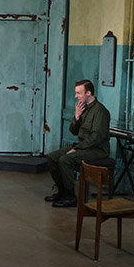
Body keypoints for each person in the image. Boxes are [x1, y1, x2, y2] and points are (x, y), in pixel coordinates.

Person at [44, 79, 111, 207]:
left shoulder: (100, 111)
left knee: (65, 160)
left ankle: (70, 196)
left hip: (97, 149)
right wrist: (77, 117)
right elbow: (73, 131)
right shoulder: (82, 108)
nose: (76, 96)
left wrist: (78, 149)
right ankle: (62, 191)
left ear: (88, 93)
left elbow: (96, 137)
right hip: (83, 146)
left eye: (79, 93)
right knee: (52, 157)